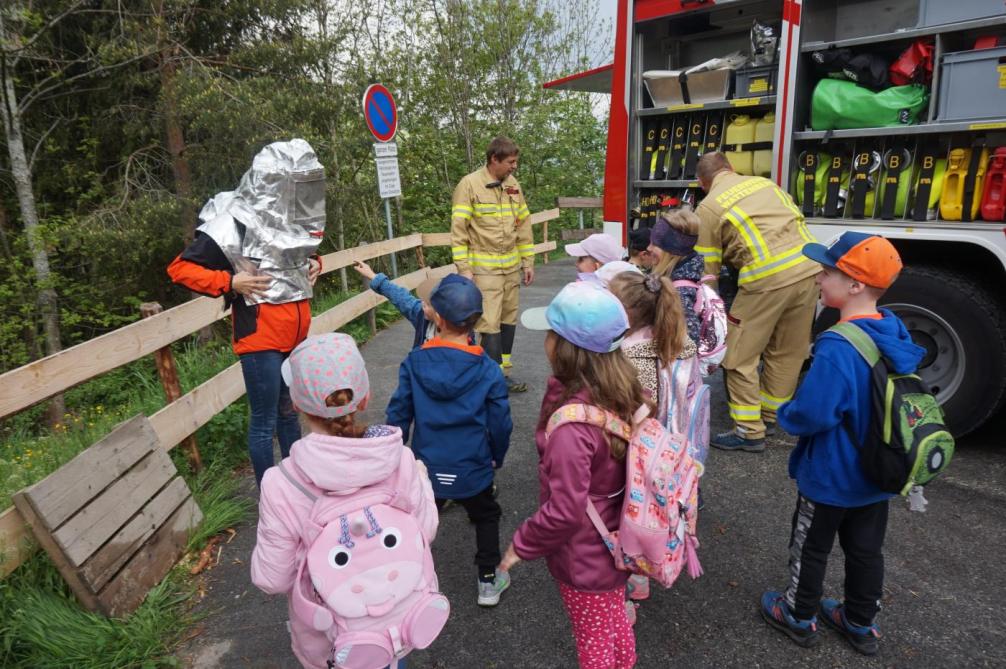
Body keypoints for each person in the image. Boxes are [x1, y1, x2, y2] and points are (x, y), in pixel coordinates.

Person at [760, 232, 923, 656]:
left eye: (828, 271)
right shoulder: (893, 329)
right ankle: (860, 622)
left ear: (855, 285)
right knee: (866, 551)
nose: (819, 277)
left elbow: (814, 413)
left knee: (811, 545)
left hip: (832, 473)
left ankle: (797, 614)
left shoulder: (837, 345)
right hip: (880, 469)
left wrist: (784, 414)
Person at [250, 333, 439, 669]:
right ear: (364, 397)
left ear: (295, 405)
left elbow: (271, 578)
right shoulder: (400, 460)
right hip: (398, 624)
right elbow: (425, 531)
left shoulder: (281, 484)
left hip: (333, 644)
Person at [501, 281, 643, 669]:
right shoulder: (622, 392)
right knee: (614, 622)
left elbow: (565, 511)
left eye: (550, 333)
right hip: (618, 542)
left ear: (562, 348)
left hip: (586, 557)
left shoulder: (572, 430)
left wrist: (522, 544)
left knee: (593, 639)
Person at [167, 139, 324, 486]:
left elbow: (292, 261)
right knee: (265, 420)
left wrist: (315, 263)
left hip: (294, 336)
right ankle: (271, 491)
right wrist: (230, 282)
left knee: (288, 414)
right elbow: (180, 269)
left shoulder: (295, 221)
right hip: (261, 338)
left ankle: (296, 485)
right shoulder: (232, 223)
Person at [386, 274, 513, 606]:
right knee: (486, 515)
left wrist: (396, 459)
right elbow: (500, 423)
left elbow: (398, 413)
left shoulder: (414, 362)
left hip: (427, 465)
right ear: (476, 320)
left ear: (437, 318)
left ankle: (411, 578)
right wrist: (496, 456)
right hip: (473, 465)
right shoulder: (488, 369)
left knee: (421, 519)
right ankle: (488, 580)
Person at [694, 151, 819, 452]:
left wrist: (707, 307)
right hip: (811, 271)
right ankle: (772, 415)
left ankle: (749, 431)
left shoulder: (708, 207)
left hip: (767, 280)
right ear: (731, 168)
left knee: (738, 355)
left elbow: (708, 266)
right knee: (788, 351)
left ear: (702, 182)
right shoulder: (766, 185)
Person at [608, 270, 703, 605]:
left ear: (625, 314)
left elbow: (629, 413)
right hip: (674, 449)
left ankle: (632, 582)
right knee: (654, 510)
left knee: (631, 511)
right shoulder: (679, 344)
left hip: (639, 452)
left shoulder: (628, 355)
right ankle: (644, 573)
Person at [450, 136, 534, 392]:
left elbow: (524, 223)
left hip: (510, 268)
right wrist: (464, 269)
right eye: (510, 162)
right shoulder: (469, 185)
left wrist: (528, 262)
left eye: (516, 162)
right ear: (494, 159)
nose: (514, 167)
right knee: (489, 323)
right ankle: (491, 378)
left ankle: (503, 372)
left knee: (508, 321)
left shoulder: (512, 185)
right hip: (484, 271)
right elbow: (458, 231)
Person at [351, 261, 474, 348]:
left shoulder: (463, 334)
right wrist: (373, 276)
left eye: (427, 304)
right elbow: (401, 297)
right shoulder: (420, 314)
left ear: (439, 312)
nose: (422, 304)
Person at [647, 209, 706, 345]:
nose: (648, 248)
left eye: (655, 244)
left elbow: (689, 343)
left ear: (672, 251)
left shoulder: (680, 293)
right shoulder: (680, 274)